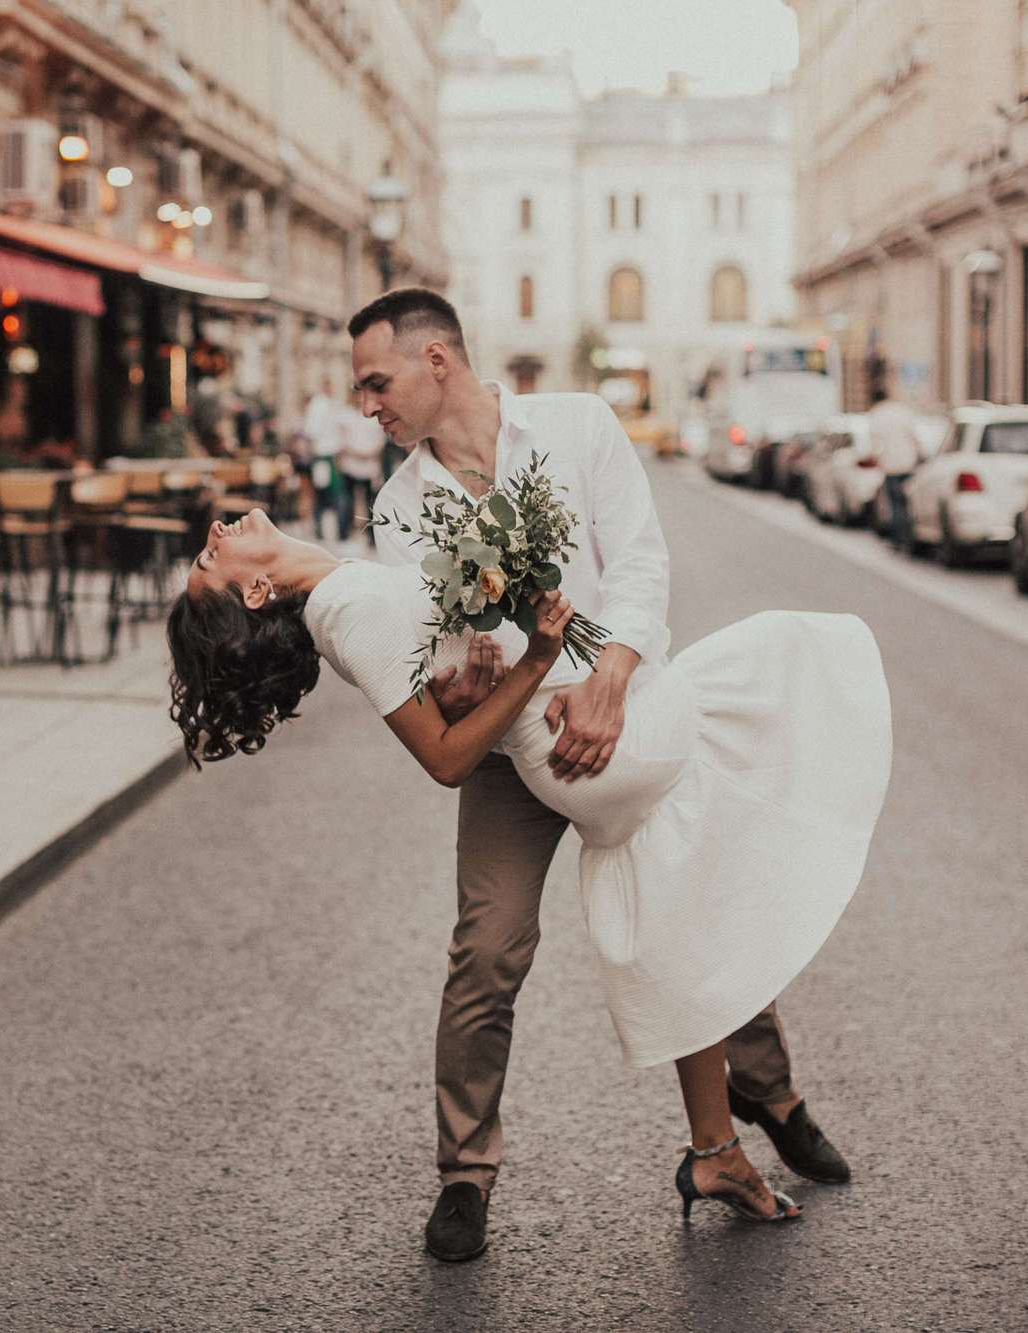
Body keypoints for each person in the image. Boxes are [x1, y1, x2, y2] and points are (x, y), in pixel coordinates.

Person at [169, 288, 886, 1259]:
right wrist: (480, 680)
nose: (366, 406)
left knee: (699, 881)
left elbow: (636, 563)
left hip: (619, 699)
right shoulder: (396, 509)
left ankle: (766, 1091)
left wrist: (610, 684)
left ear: (437, 362)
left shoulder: (576, 426)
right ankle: (464, 1175)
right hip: (518, 748)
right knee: (486, 950)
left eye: (375, 382)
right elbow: (436, 664)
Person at [867, 384, 919, 549]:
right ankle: (912, 538)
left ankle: (898, 540)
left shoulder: (876, 415)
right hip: (910, 463)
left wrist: (878, 459)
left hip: (891, 465)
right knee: (909, 502)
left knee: (895, 504)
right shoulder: (902, 410)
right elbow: (914, 435)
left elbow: (876, 443)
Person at [298, 377, 347, 541]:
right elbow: (312, 431)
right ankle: (330, 531)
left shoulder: (328, 404)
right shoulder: (319, 405)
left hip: (328, 455)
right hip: (323, 456)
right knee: (329, 494)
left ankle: (330, 531)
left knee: (327, 495)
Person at [335, 408, 385, 549]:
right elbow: (341, 441)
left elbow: (380, 442)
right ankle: (344, 532)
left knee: (371, 503)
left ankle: (372, 536)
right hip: (350, 465)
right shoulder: (345, 416)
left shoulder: (374, 419)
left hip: (370, 466)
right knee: (347, 501)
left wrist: (368, 453)